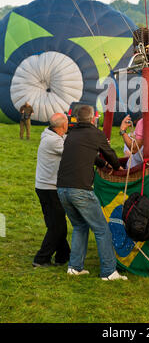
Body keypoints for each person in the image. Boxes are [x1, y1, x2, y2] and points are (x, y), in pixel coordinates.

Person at [56, 105, 127, 280]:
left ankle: (75, 267)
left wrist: (101, 164)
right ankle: (109, 271)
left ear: (76, 119)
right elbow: (110, 154)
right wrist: (118, 167)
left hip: (62, 189)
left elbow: (85, 154)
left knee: (80, 227)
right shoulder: (96, 134)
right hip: (80, 190)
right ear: (94, 119)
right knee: (102, 229)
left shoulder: (71, 135)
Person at [33, 113, 71, 267]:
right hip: (49, 188)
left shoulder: (51, 135)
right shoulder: (53, 141)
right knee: (57, 225)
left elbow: (66, 140)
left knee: (55, 223)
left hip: (45, 186)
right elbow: (72, 152)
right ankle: (41, 259)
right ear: (63, 126)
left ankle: (63, 256)